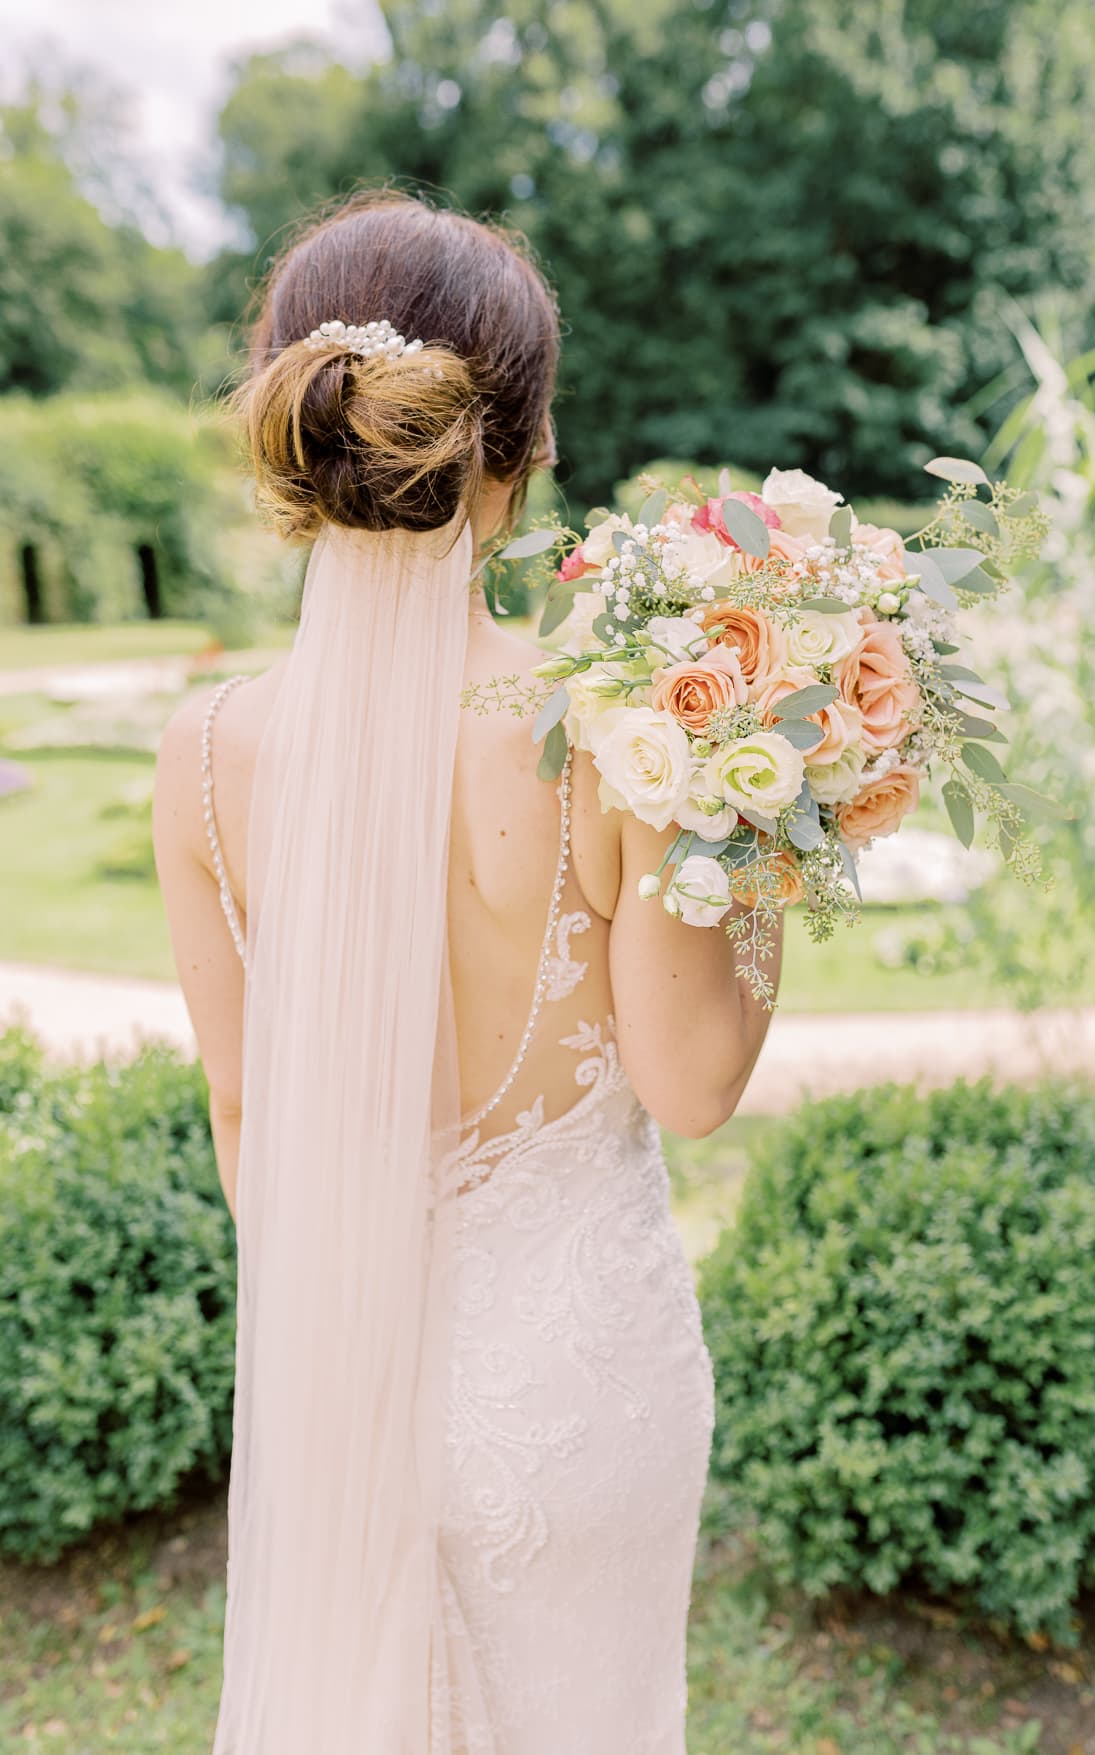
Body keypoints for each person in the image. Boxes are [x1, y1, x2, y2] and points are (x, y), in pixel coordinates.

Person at [152, 189, 779, 1755]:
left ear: (305, 443)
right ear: (527, 444)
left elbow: (249, 1124)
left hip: (340, 1398)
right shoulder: (617, 725)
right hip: (574, 1400)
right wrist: (767, 836)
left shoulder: (205, 757)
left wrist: (358, 1330)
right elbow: (692, 1090)